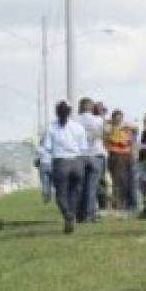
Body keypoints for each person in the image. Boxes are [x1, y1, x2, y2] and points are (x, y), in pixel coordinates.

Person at [40, 101, 88, 235]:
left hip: (61, 162)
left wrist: (44, 163)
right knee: (75, 192)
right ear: (70, 112)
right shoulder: (78, 127)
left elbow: (47, 148)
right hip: (77, 162)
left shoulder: (51, 127)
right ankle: (71, 215)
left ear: (56, 112)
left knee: (61, 194)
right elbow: (83, 148)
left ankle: (67, 214)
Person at [76, 97, 105, 223]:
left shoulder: (73, 120)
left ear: (80, 107)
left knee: (80, 187)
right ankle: (89, 215)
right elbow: (104, 132)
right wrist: (101, 113)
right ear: (90, 107)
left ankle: (79, 215)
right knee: (92, 187)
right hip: (95, 155)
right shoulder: (97, 119)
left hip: (80, 155)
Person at [104, 109, 136, 210]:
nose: (119, 120)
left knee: (125, 181)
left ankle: (124, 203)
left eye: (120, 118)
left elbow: (131, 140)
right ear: (113, 118)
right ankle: (117, 203)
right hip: (115, 155)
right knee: (117, 181)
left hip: (126, 155)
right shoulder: (109, 128)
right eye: (117, 118)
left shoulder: (126, 129)